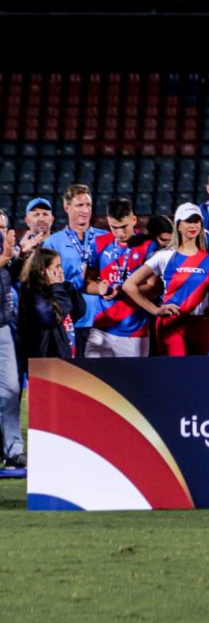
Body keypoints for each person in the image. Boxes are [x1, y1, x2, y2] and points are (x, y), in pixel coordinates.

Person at [123, 203, 209, 356]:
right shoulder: (164, 256)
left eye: (196, 221)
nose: (193, 225)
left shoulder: (208, 260)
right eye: (188, 221)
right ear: (178, 226)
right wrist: (155, 310)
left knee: (199, 375)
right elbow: (129, 285)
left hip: (201, 325)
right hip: (172, 323)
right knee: (176, 374)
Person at [83, 198, 158, 358]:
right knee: (92, 380)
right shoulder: (99, 243)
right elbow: (87, 283)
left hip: (135, 331)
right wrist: (99, 288)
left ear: (133, 220)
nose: (120, 233)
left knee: (131, 383)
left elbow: (154, 289)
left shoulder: (148, 245)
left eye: (124, 227)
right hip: (102, 328)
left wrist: (124, 291)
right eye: (114, 227)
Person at [43, 184, 109, 357]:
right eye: (79, 205)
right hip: (73, 318)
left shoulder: (105, 238)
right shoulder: (53, 242)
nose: (85, 210)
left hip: (103, 317)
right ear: (67, 207)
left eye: (88, 205)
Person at [18, 247, 85, 361]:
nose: (62, 271)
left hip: (66, 353)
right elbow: (50, 317)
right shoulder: (33, 293)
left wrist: (66, 287)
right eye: (57, 267)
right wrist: (58, 288)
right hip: (45, 361)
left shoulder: (58, 288)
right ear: (43, 270)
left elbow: (80, 310)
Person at [0, 213, 23, 468]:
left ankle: (14, 450)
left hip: (3, 328)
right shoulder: (4, 256)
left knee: (11, 390)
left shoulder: (8, 256)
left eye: (3, 227)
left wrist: (19, 256)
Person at [18, 197, 54, 266]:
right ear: (27, 221)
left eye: (45, 214)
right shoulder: (18, 247)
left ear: (52, 219)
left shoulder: (61, 244)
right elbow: (14, 274)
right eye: (36, 215)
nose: (41, 219)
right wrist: (23, 254)